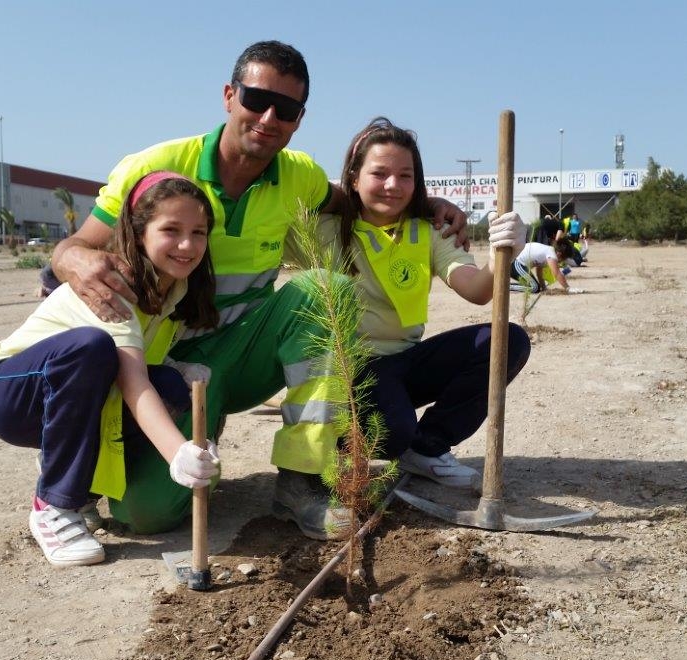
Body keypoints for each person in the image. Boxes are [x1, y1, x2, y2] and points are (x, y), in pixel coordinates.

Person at [43, 41, 469, 540]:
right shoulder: (156, 165)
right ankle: (133, 457)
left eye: (286, 109)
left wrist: (426, 203)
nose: (269, 118)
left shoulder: (300, 176)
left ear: (299, 119)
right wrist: (73, 258)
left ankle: (301, 479)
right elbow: (72, 247)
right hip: (163, 364)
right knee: (146, 517)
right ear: (229, 95)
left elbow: (359, 201)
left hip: (243, 352)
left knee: (324, 290)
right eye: (256, 99)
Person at [0, 173, 222, 567]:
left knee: (170, 386)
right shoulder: (112, 283)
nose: (188, 244)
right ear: (139, 232)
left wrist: (177, 366)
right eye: (171, 230)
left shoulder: (175, 288)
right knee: (90, 347)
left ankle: (80, 485)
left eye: (199, 232)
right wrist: (179, 453)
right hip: (9, 392)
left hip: (69, 389)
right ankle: (53, 505)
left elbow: (139, 360)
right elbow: (131, 379)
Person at [322, 117, 531, 488]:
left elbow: (477, 290)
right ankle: (346, 440)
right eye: (379, 173)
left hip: (405, 361)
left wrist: (504, 253)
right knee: (391, 433)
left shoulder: (430, 229)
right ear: (353, 178)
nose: (393, 185)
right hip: (351, 370)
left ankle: (428, 445)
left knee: (508, 340)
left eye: (406, 176)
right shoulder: (326, 227)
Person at [510, 234, 583, 294]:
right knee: (534, 288)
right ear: (559, 254)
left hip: (516, 263)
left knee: (535, 287)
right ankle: (506, 287)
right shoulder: (551, 253)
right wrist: (568, 288)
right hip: (516, 263)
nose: (560, 262)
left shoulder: (547, 252)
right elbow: (557, 273)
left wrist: (544, 288)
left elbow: (539, 271)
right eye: (562, 259)